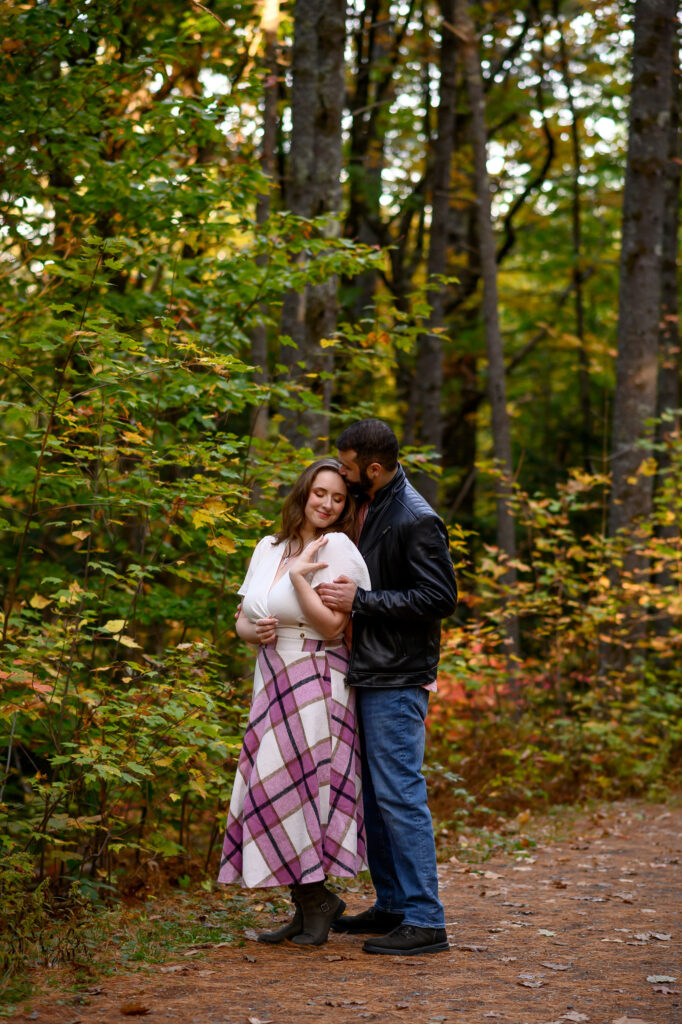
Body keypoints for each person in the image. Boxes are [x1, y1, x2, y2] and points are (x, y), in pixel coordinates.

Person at [317, 419, 458, 956]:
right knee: (375, 797)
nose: (344, 475)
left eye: (349, 468)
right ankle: (395, 903)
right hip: (371, 669)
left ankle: (426, 920)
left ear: (372, 469)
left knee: (400, 794)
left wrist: (362, 604)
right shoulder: (372, 504)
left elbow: (439, 597)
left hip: (399, 676)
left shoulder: (415, 517)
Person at [217, 458, 371, 947]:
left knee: (302, 788)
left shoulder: (340, 549)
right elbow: (243, 619)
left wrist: (301, 578)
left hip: (316, 677)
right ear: (303, 493)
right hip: (272, 677)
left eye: (338, 498)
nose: (327, 504)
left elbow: (332, 627)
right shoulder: (269, 547)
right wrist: (253, 631)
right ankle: (309, 903)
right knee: (272, 790)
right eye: (319, 493)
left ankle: (316, 901)